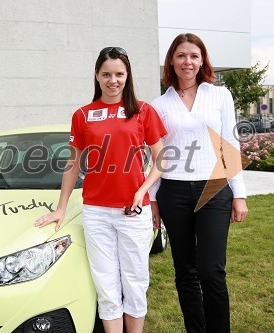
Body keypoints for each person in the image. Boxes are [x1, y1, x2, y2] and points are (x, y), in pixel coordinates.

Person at [35, 47, 167, 333]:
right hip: (95, 212)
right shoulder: (83, 115)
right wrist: (60, 207)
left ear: (127, 75)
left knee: (134, 284)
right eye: (106, 74)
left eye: (119, 74)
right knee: (106, 286)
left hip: (134, 212)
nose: (113, 80)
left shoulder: (143, 111)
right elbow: (72, 164)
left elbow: (162, 160)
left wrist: (141, 189)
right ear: (96, 75)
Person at [150, 33, 249, 333]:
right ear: (171, 61)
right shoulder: (159, 104)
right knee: (185, 271)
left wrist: (239, 194)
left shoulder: (220, 95)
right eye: (181, 55)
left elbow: (230, 144)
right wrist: (153, 200)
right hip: (174, 191)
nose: (187, 61)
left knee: (211, 271)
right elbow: (156, 155)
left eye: (194, 55)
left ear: (202, 60)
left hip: (215, 188)